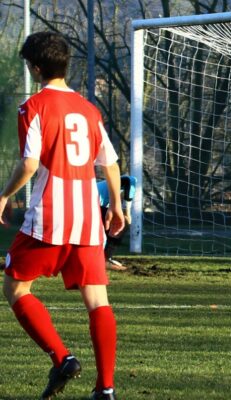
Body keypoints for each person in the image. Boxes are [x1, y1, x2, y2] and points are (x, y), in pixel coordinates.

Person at [0, 32, 123, 400]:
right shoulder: (89, 110)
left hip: (51, 216)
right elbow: (111, 163)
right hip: (87, 217)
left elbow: (30, 163)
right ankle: (106, 388)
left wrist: (4, 195)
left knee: (16, 286)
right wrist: (116, 206)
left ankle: (62, 358)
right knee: (97, 300)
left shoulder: (33, 107)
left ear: (36, 68)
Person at [97, 175, 137, 271]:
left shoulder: (107, 193)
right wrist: (127, 211)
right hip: (88, 204)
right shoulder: (122, 184)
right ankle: (104, 260)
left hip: (82, 204)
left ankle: (104, 258)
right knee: (123, 223)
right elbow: (129, 180)